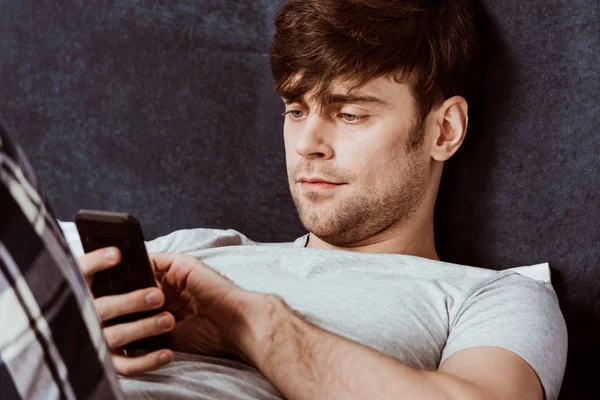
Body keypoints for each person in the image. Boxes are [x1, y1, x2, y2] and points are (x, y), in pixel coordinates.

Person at [2, 0, 568, 399]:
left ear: (444, 130)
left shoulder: (494, 298)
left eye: (349, 114)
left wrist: (251, 325)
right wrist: (74, 322)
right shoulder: (197, 252)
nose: (308, 145)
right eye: (296, 111)